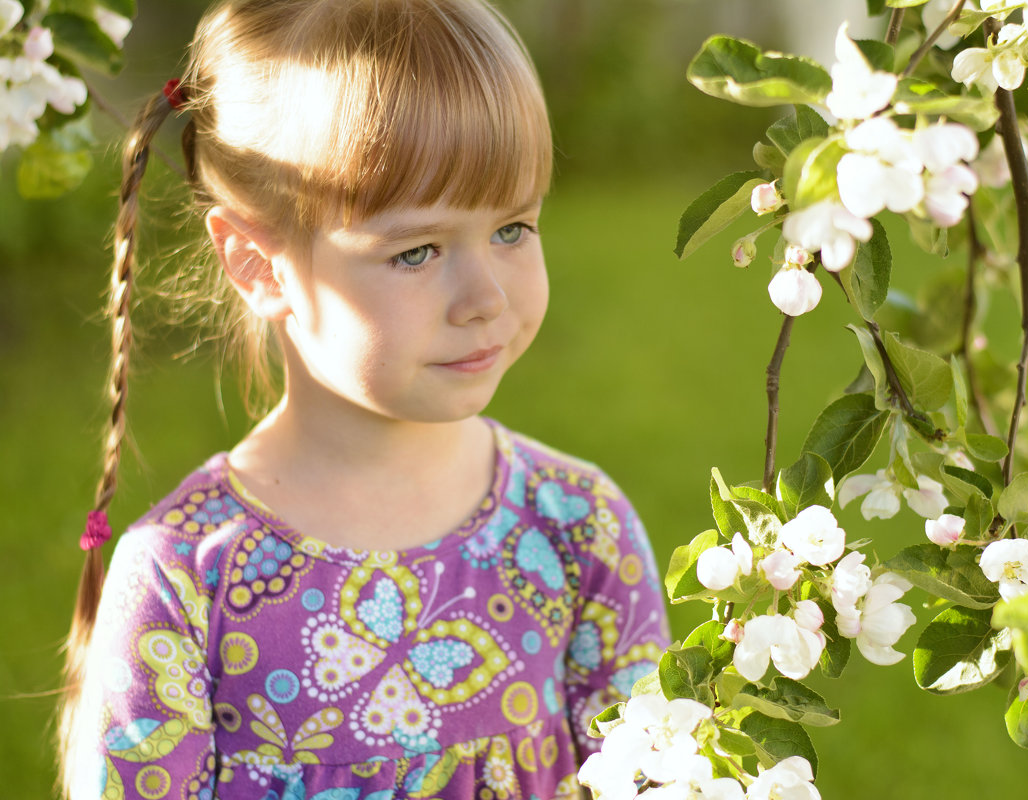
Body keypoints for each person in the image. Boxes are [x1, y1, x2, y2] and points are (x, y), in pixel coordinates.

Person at [57, 1, 669, 797]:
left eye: (514, 228)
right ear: (259, 266)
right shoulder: (184, 582)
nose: (483, 296)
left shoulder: (579, 531)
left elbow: (661, 777)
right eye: (417, 250)